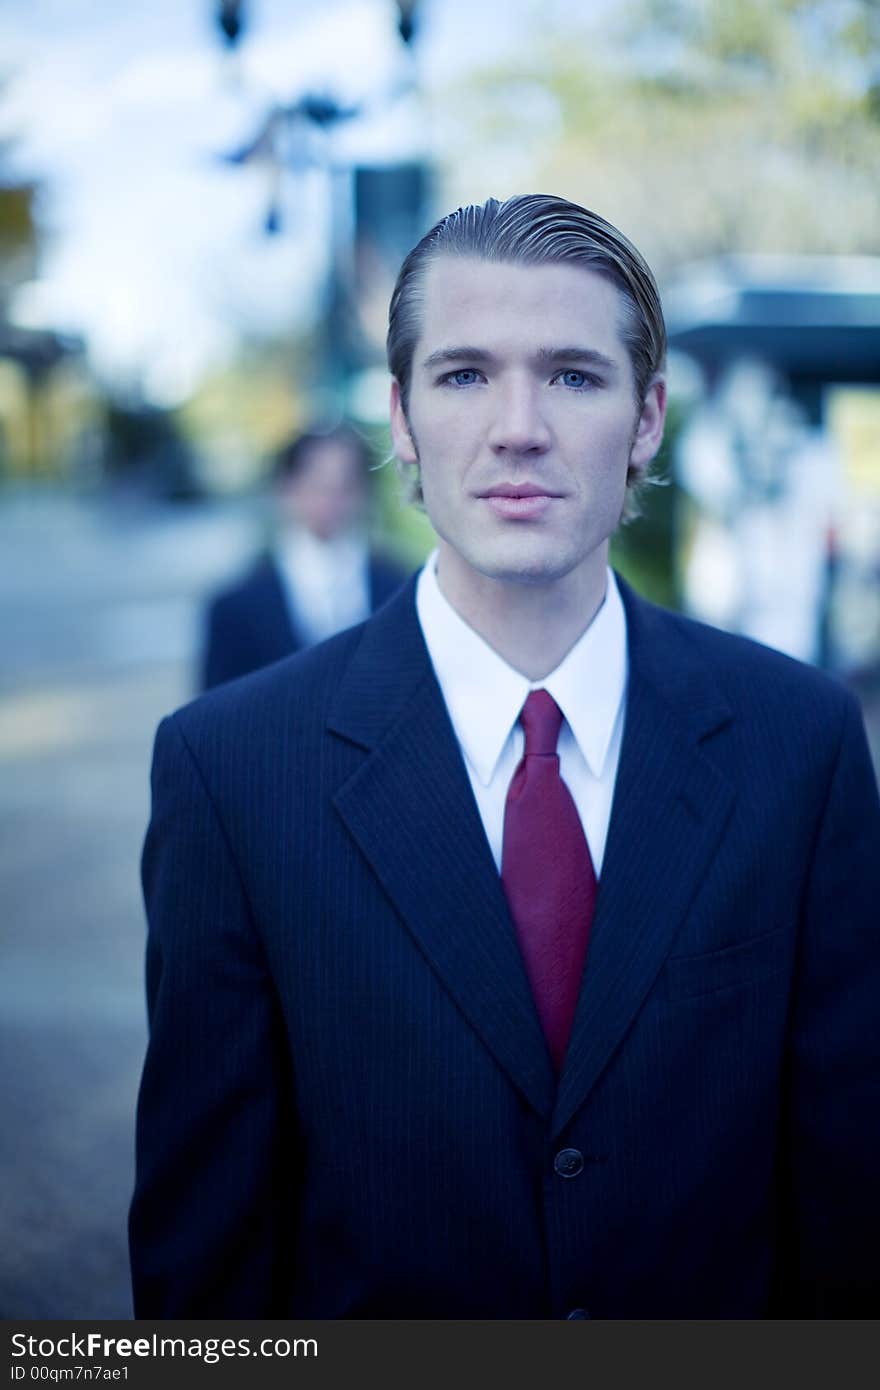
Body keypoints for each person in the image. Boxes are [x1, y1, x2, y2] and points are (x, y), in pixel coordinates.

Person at [130, 194, 880, 1318]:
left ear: (647, 418)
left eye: (575, 376)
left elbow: (847, 1200)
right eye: (465, 374)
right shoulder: (231, 768)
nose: (518, 425)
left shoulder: (801, 742)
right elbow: (207, 1258)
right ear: (399, 415)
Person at [199, 424, 407, 689]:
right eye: (318, 482)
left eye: (346, 484)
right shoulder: (236, 606)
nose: (332, 498)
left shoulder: (399, 585)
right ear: (287, 488)